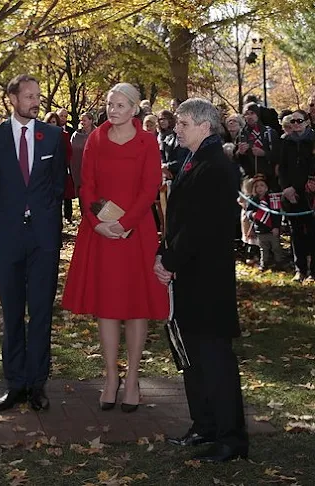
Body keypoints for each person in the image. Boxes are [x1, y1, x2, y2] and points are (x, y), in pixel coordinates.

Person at [62, 83, 168, 413]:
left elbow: (150, 186)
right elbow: (87, 184)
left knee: (136, 306)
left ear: (135, 109)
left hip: (135, 233)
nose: (113, 110)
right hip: (101, 232)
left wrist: (125, 223)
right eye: (110, 104)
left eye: (121, 105)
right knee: (106, 307)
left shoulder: (147, 141)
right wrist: (98, 224)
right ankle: (111, 378)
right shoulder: (95, 138)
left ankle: (133, 379)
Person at [154, 98, 248, 462]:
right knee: (191, 357)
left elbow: (201, 227)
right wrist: (166, 256)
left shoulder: (216, 166)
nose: (176, 127)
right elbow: (181, 220)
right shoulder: (194, 161)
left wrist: (170, 260)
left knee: (215, 359)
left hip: (207, 279)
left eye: (183, 122)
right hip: (188, 275)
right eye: (177, 122)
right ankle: (204, 425)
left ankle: (231, 438)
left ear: (205, 126)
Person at [0, 74, 65, 413]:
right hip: (6, 237)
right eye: (28, 95)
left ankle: (38, 383)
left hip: (43, 239)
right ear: (12, 98)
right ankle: (14, 384)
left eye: (37, 96)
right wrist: (8, 214)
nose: (35, 101)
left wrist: (40, 213)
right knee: (12, 312)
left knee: (41, 312)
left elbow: (58, 185)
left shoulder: (53, 136)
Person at [278, 109, 315, 282]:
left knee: (313, 232)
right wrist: (286, 188)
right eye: (292, 121)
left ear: (307, 122)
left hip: (311, 193)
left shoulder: (313, 140)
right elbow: (282, 168)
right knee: (296, 232)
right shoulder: (286, 142)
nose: (295, 125)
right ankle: (299, 269)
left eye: (299, 121)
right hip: (292, 193)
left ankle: (313, 272)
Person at [245, 174, 284, 271]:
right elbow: (248, 211)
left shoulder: (271, 199)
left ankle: (278, 262)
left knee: (276, 247)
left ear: (266, 187)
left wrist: (276, 227)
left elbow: (276, 214)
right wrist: (251, 215)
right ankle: (264, 263)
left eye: (262, 185)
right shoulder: (253, 200)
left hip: (272, 229)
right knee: (263, 248)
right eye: (257, 186)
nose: (259, 188)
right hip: (260, 229)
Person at [237, 102, 279, 189]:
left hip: (269, 178)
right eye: (246, 114)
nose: (249, 116)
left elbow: (278, 155)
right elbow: (236, 159)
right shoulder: (242, 134)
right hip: (250, 179)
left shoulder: (269, 132)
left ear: (257, 114)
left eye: (252, 113)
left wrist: (264, 153)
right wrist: (240, 152)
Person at [70, 112, 95, 203]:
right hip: (78, 169)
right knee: (82, 197)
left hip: (93, 171)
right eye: (81, 120)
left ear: (91, 121)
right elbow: (71, 151)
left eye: (84, 120)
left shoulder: (97, 134)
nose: (82, 122)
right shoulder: (76, 135)